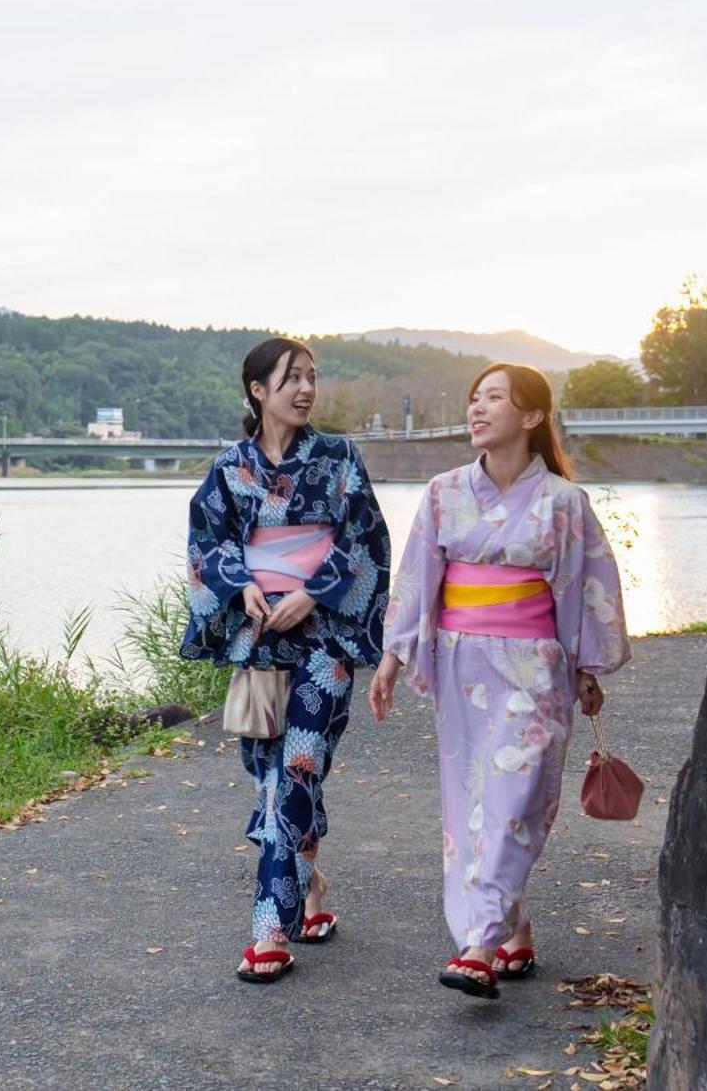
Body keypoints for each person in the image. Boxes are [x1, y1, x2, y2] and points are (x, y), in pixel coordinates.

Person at [367, 362, 630, 999]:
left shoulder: (565, 503)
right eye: (473, 399)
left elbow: (593, 585)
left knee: (515, 800)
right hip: (461, 661)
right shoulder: (442, 493)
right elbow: (415, 578)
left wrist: (587, 665)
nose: (477, 409)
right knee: (473, 805)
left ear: (533, 416)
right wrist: (393, 657)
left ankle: (479, 942)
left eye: (494, 398)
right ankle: (512, 924)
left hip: (533, 665)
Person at [181, 337, 390, 984]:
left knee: (299, 765)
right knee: (271, 777)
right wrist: (241, 583)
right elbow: (207, 538)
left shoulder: (337, 457)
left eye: (311, 377)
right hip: (259, 634)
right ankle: (312, 883)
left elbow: (364, 535)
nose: (305, 388)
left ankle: (269, 928)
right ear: (257, 390)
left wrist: (311, 591)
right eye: (290, 377)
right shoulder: (230, 465)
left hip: (323, 632)